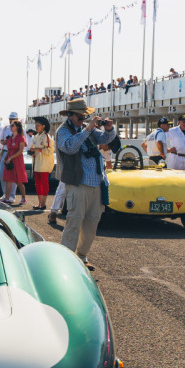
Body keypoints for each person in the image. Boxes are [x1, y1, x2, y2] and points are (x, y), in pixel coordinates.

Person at [55, 98, 112, 267]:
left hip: (96, 183)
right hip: (78, 182)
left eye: (84, 116)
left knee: (92, 222)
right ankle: (66, 260)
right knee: (74, 221)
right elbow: (69, 147)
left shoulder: (86, 128)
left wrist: (109, 129)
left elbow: (105, 139)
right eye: (80, 117)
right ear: (70, 115)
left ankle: (82, 256)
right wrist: (87, 129)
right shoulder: (63, 131)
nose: (83, 119)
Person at [1, 120, 29, 204]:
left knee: (18, 181)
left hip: (17, 161)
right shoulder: (10, 138)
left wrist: (10, 158)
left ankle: (23, 198)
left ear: (17, 127)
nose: (11, 127)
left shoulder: (21, 138)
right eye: (10, 125)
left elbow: (20, 151)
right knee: (8, 179)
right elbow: (9, 150)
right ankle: (7, 198)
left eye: (12, 125)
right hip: (10, 160)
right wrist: (5, 158)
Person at [30, 118, 54, 210]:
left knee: (44, 183)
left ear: (43, 126)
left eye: (38, 125)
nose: (36, 127)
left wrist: (37, 149)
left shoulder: (46, 136)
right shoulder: (36, 137)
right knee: (37, 184)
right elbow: (34, 148)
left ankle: (43, 203)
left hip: (44, 164)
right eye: (35, 125)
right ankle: (40, 203)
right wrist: (32, 152)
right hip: (36, 163)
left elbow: (50, 150)